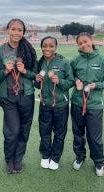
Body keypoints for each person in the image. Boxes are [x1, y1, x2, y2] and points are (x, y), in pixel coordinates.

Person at [0, 18, 37, 173]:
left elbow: (35, 75)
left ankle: (18, 159)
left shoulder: (29, 49)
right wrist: (5, 71)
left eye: (20, 30)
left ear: (23, 32)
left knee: (24, 129)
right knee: (12, 131)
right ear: (7, 30)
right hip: (8, 96)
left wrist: (25, 71)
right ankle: (8, 159)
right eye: (13, 29)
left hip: (27, 96)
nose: (16, 32)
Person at [70, 32, 104, 176]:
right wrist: (76, 82)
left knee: (94, 137)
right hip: (77, 103)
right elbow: (70, 76)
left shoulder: (103, 60)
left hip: (95, 105)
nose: (84, 45)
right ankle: (79, 157)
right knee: (78, 133)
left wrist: (98, 85)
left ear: (91, 40)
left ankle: (98, 162)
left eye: (85, 41)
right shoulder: (75, 61)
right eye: (80, 43)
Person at [35, 36, 74, 170]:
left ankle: (55, 157)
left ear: (56, 47)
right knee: (44, 131)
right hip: (45, 104)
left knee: (59, 133)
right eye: (45, 45)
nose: (48, 48)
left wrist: (60, 81)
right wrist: (37, 79)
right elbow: (36, 84)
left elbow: (71, 82)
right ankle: (45, 155)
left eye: (51, 46)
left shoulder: (64, 62)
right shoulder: (39, 62)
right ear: (41, 47)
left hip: (61, 105)